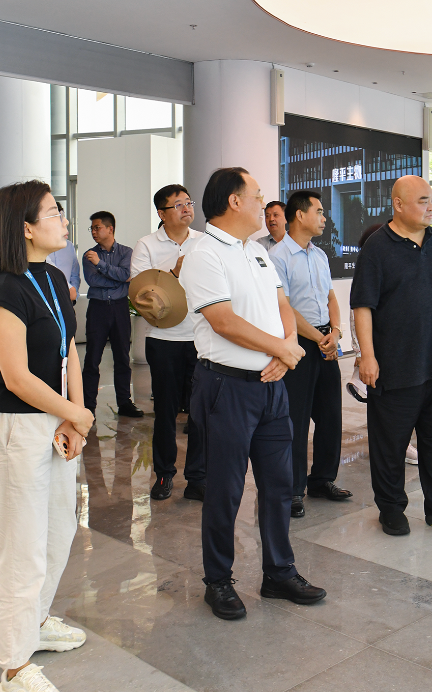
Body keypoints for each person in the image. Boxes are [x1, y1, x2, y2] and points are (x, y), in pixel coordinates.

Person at [180, 167, 326, 621]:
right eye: (257, 195)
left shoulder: (258, 252)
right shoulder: (204, 253)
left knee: (279, 484)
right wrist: (280, 349)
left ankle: (279, 572)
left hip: (271, 386)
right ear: (234, 201)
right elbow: (223, 321)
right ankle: (218, 580)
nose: (264, 203)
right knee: (224, 489)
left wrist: (286, 349)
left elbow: (283, 305)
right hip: (226, 388)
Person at [0, 180, 93, 692]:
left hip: (54, 420)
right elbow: (17, 377)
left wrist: (75, 416)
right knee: (21, 548)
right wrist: (74, 413)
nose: (64, 221)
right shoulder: (5, 289)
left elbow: (70, 350)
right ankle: (13, 665)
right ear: (25, 228)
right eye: (54, 212)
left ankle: (36, 623)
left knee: (58, 532)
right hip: (15, 429)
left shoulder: (52, 275)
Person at [351, 175, 432, 537]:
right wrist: (367, 356)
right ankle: (391, 508)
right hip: (395, 365)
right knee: (390, 444)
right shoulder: (377, 247)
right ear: (398, 204)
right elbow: (362, 305)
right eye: (424, 200)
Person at [269, 191, 351, 519]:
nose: (324, 218)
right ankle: (292, 489)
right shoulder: (278, 256)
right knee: (296, 419)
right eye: (319, 211)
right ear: (300, 215)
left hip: (325, 340)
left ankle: (322, 480)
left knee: (330, 415)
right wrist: (319, 338)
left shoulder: (319, 255)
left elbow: (331, 296)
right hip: (298, 343)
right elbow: (284, 307)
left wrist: (336, 331)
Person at [130, 184, 206, 502]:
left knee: (201, 412)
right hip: (164, 340)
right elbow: (139, 297)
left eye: (188, 202)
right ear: (162, 213)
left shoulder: (204, 241)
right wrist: (172, 274)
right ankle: (163, 474)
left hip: (200, 338)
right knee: (165, 411)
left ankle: (198, 478)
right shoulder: (147, 245)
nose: (187, 208)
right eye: (178, 205)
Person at [347, 224, 419, 466]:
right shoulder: (369, 270)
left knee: (403, 403)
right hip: (380, 354)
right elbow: (357, 314)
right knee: (386, 406)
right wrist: (361, 353)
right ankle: (395, 448)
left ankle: (400, 444)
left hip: (402, 352)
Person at [81, 211, 142, 419]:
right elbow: (93, 281)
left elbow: (127, 274)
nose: (93, 232)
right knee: (92, 358)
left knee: (122, 357)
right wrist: (118, 279)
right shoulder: (88, 254)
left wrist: (101, 264)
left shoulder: (126, 252)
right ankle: (88, 405)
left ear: (110, 229)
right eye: (92, 228)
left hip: (119, 308)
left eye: (97, 228)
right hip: (97, 308)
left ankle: (124, 403)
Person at [45, 203, 79, 304]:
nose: (66, 222)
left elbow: (74, 275)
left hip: (67, 300)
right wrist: (68, 289)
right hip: (47, 300)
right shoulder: (40, 248)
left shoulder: (69, 246)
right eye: (60, 218)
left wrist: (73, 292)